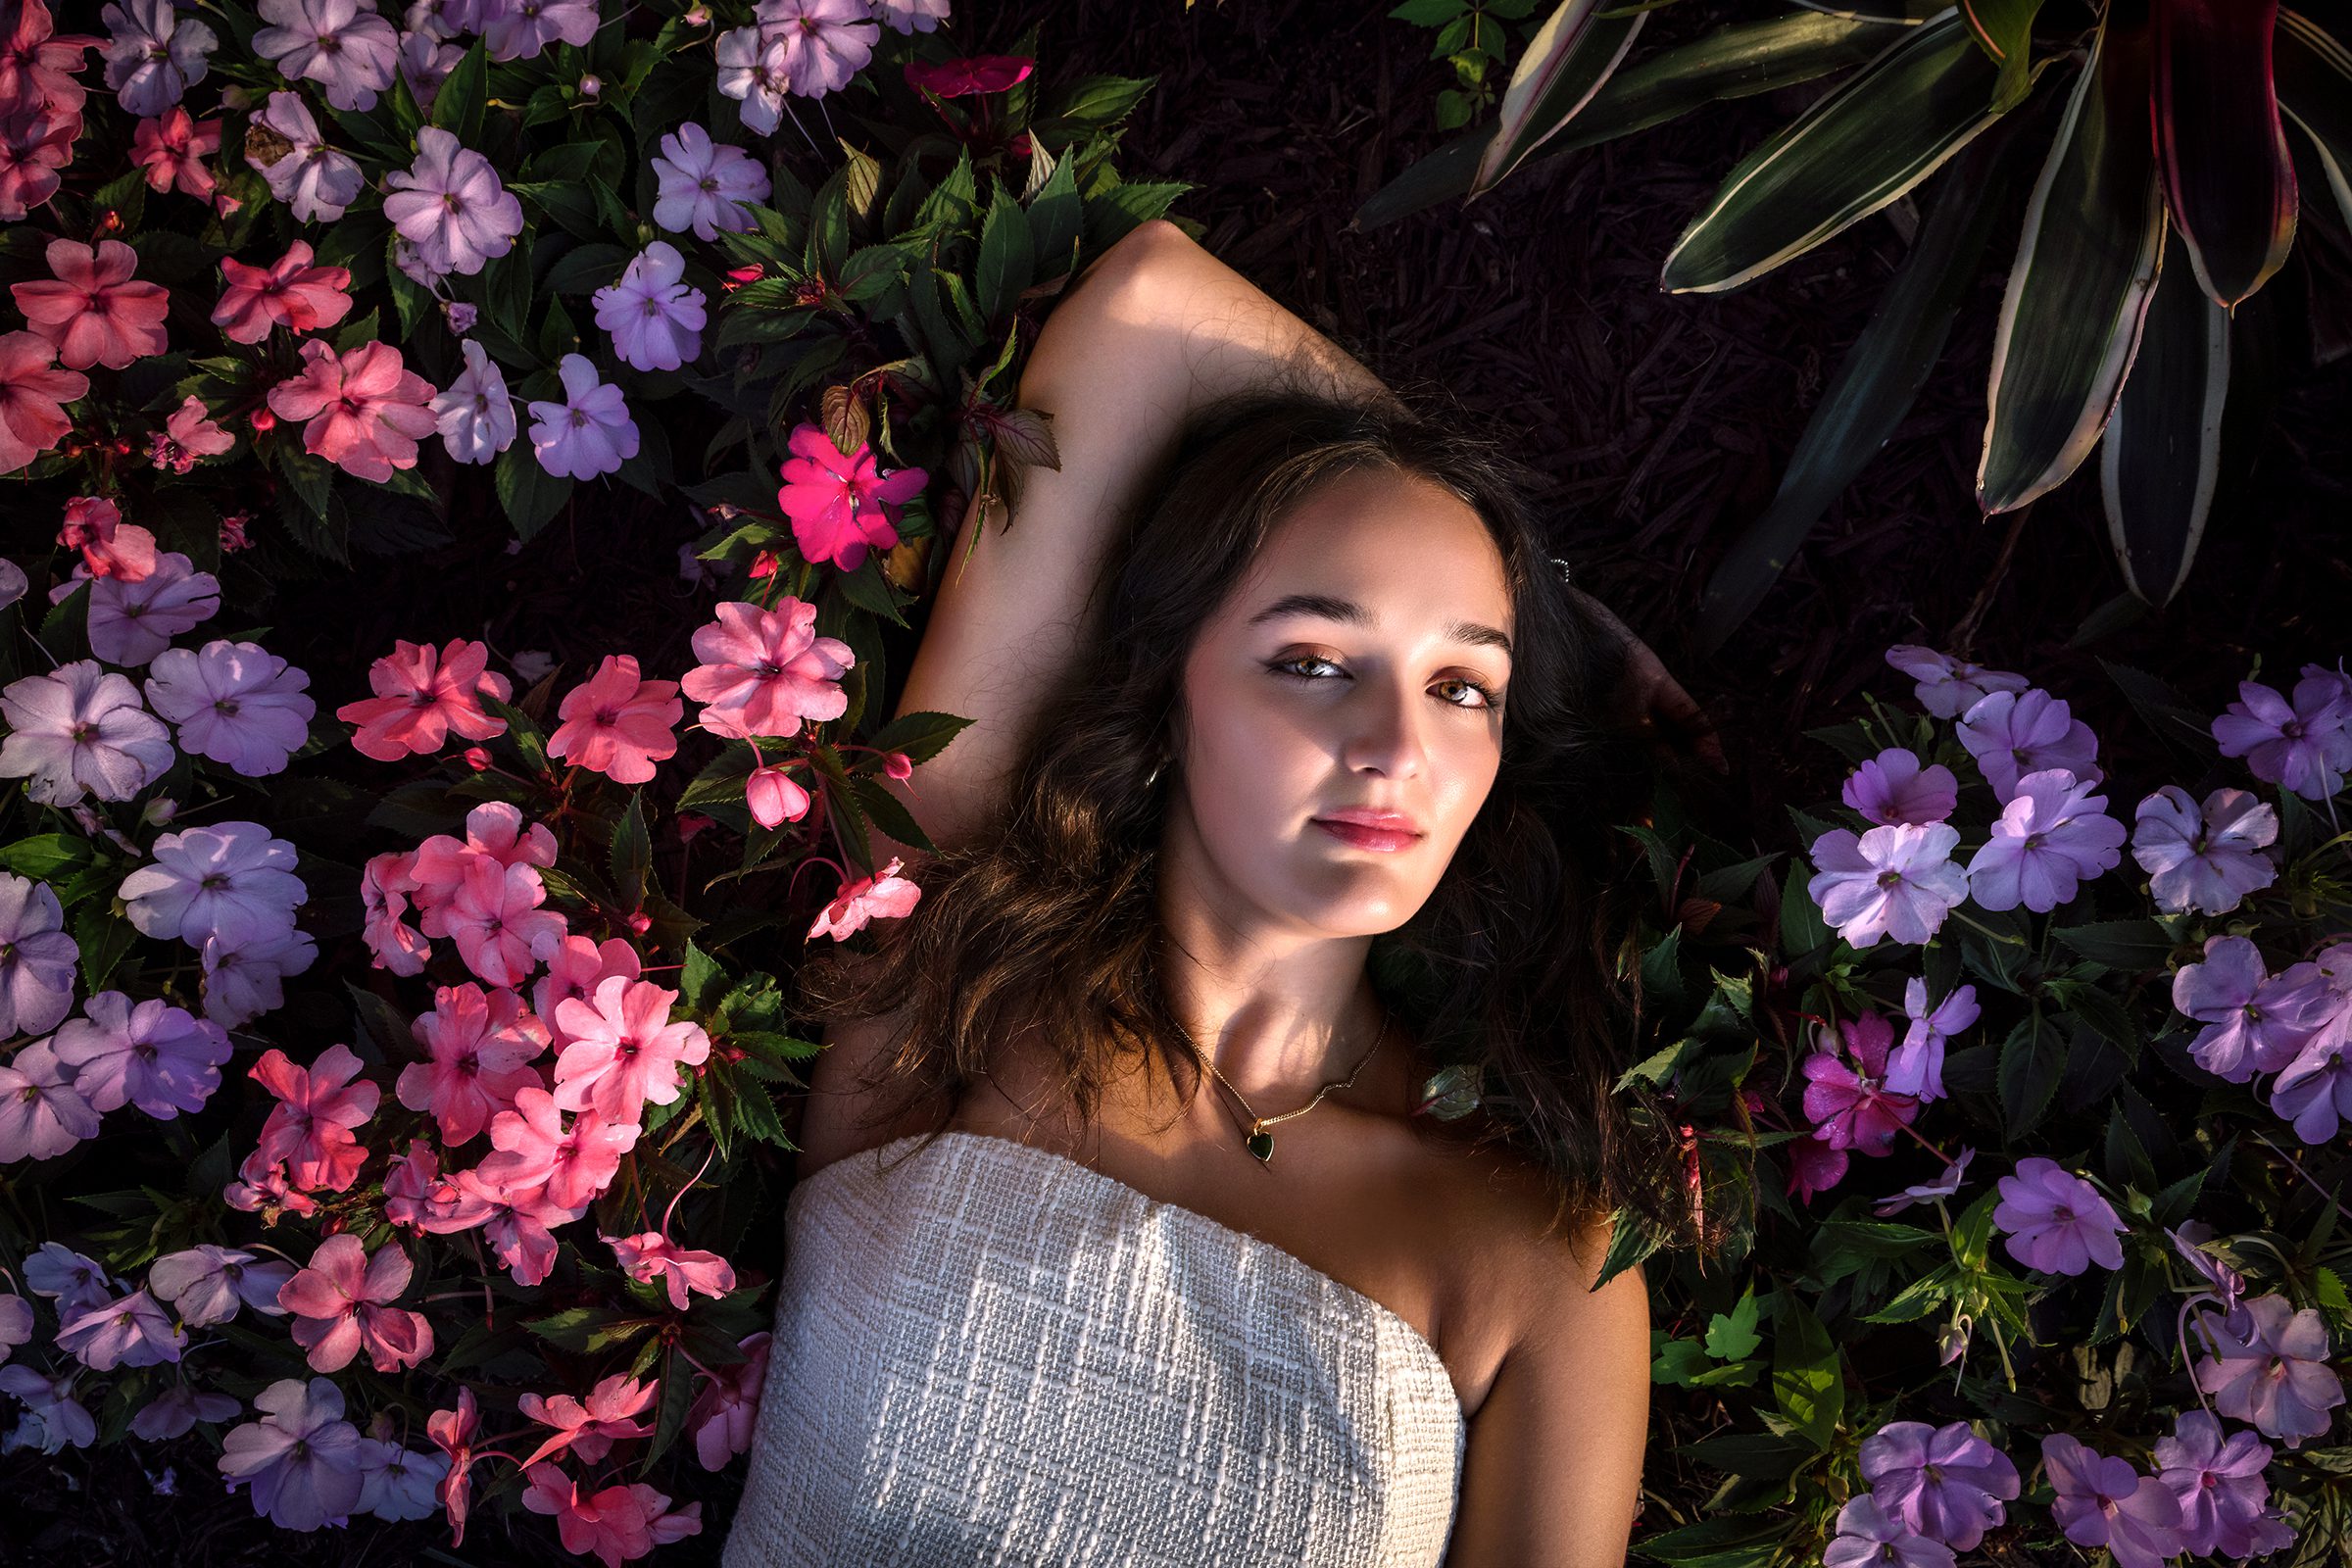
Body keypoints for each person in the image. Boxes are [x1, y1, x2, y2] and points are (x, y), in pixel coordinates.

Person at [720, 219, 1710, 1567]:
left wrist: (1511, 583)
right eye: (1313, 660)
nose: (1399, 747)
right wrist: (1557, 605)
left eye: (1464, 684)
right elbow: (1147, 303)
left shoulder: (1536, 1260)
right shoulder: (945, 984)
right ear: (1167, 691)